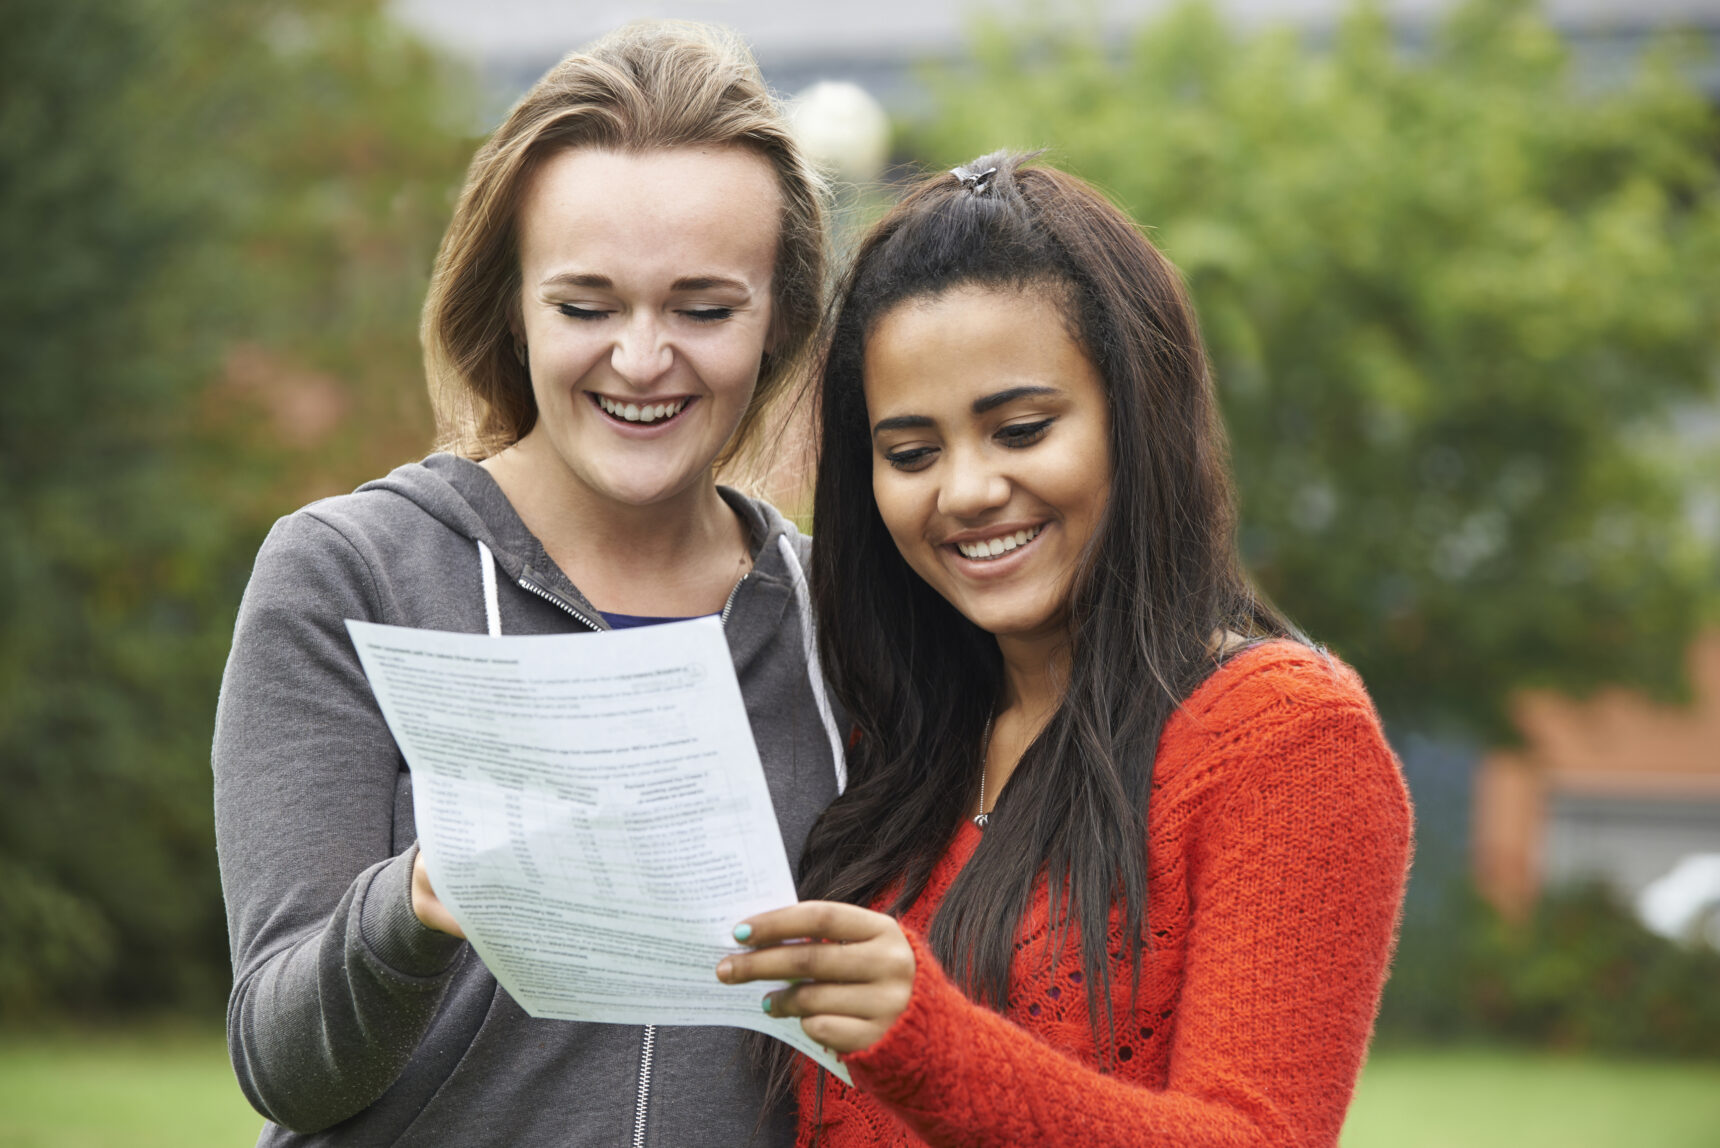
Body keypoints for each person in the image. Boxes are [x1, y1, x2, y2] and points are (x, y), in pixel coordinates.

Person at [213, 23, 842, 1147]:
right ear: (511, 305)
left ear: (781, 317)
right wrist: (412, 904)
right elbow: (281, 1063)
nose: (642, 359)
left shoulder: (844, 621)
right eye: (585, 304)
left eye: (703, 308)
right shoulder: (349, 574)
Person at [717, 154, 1413, 1147]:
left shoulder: (1284, 737)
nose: (964, 490)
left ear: (1138, 413)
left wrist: (929, 1041)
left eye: (1021, 428)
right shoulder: (885, 738)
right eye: (911, 452)